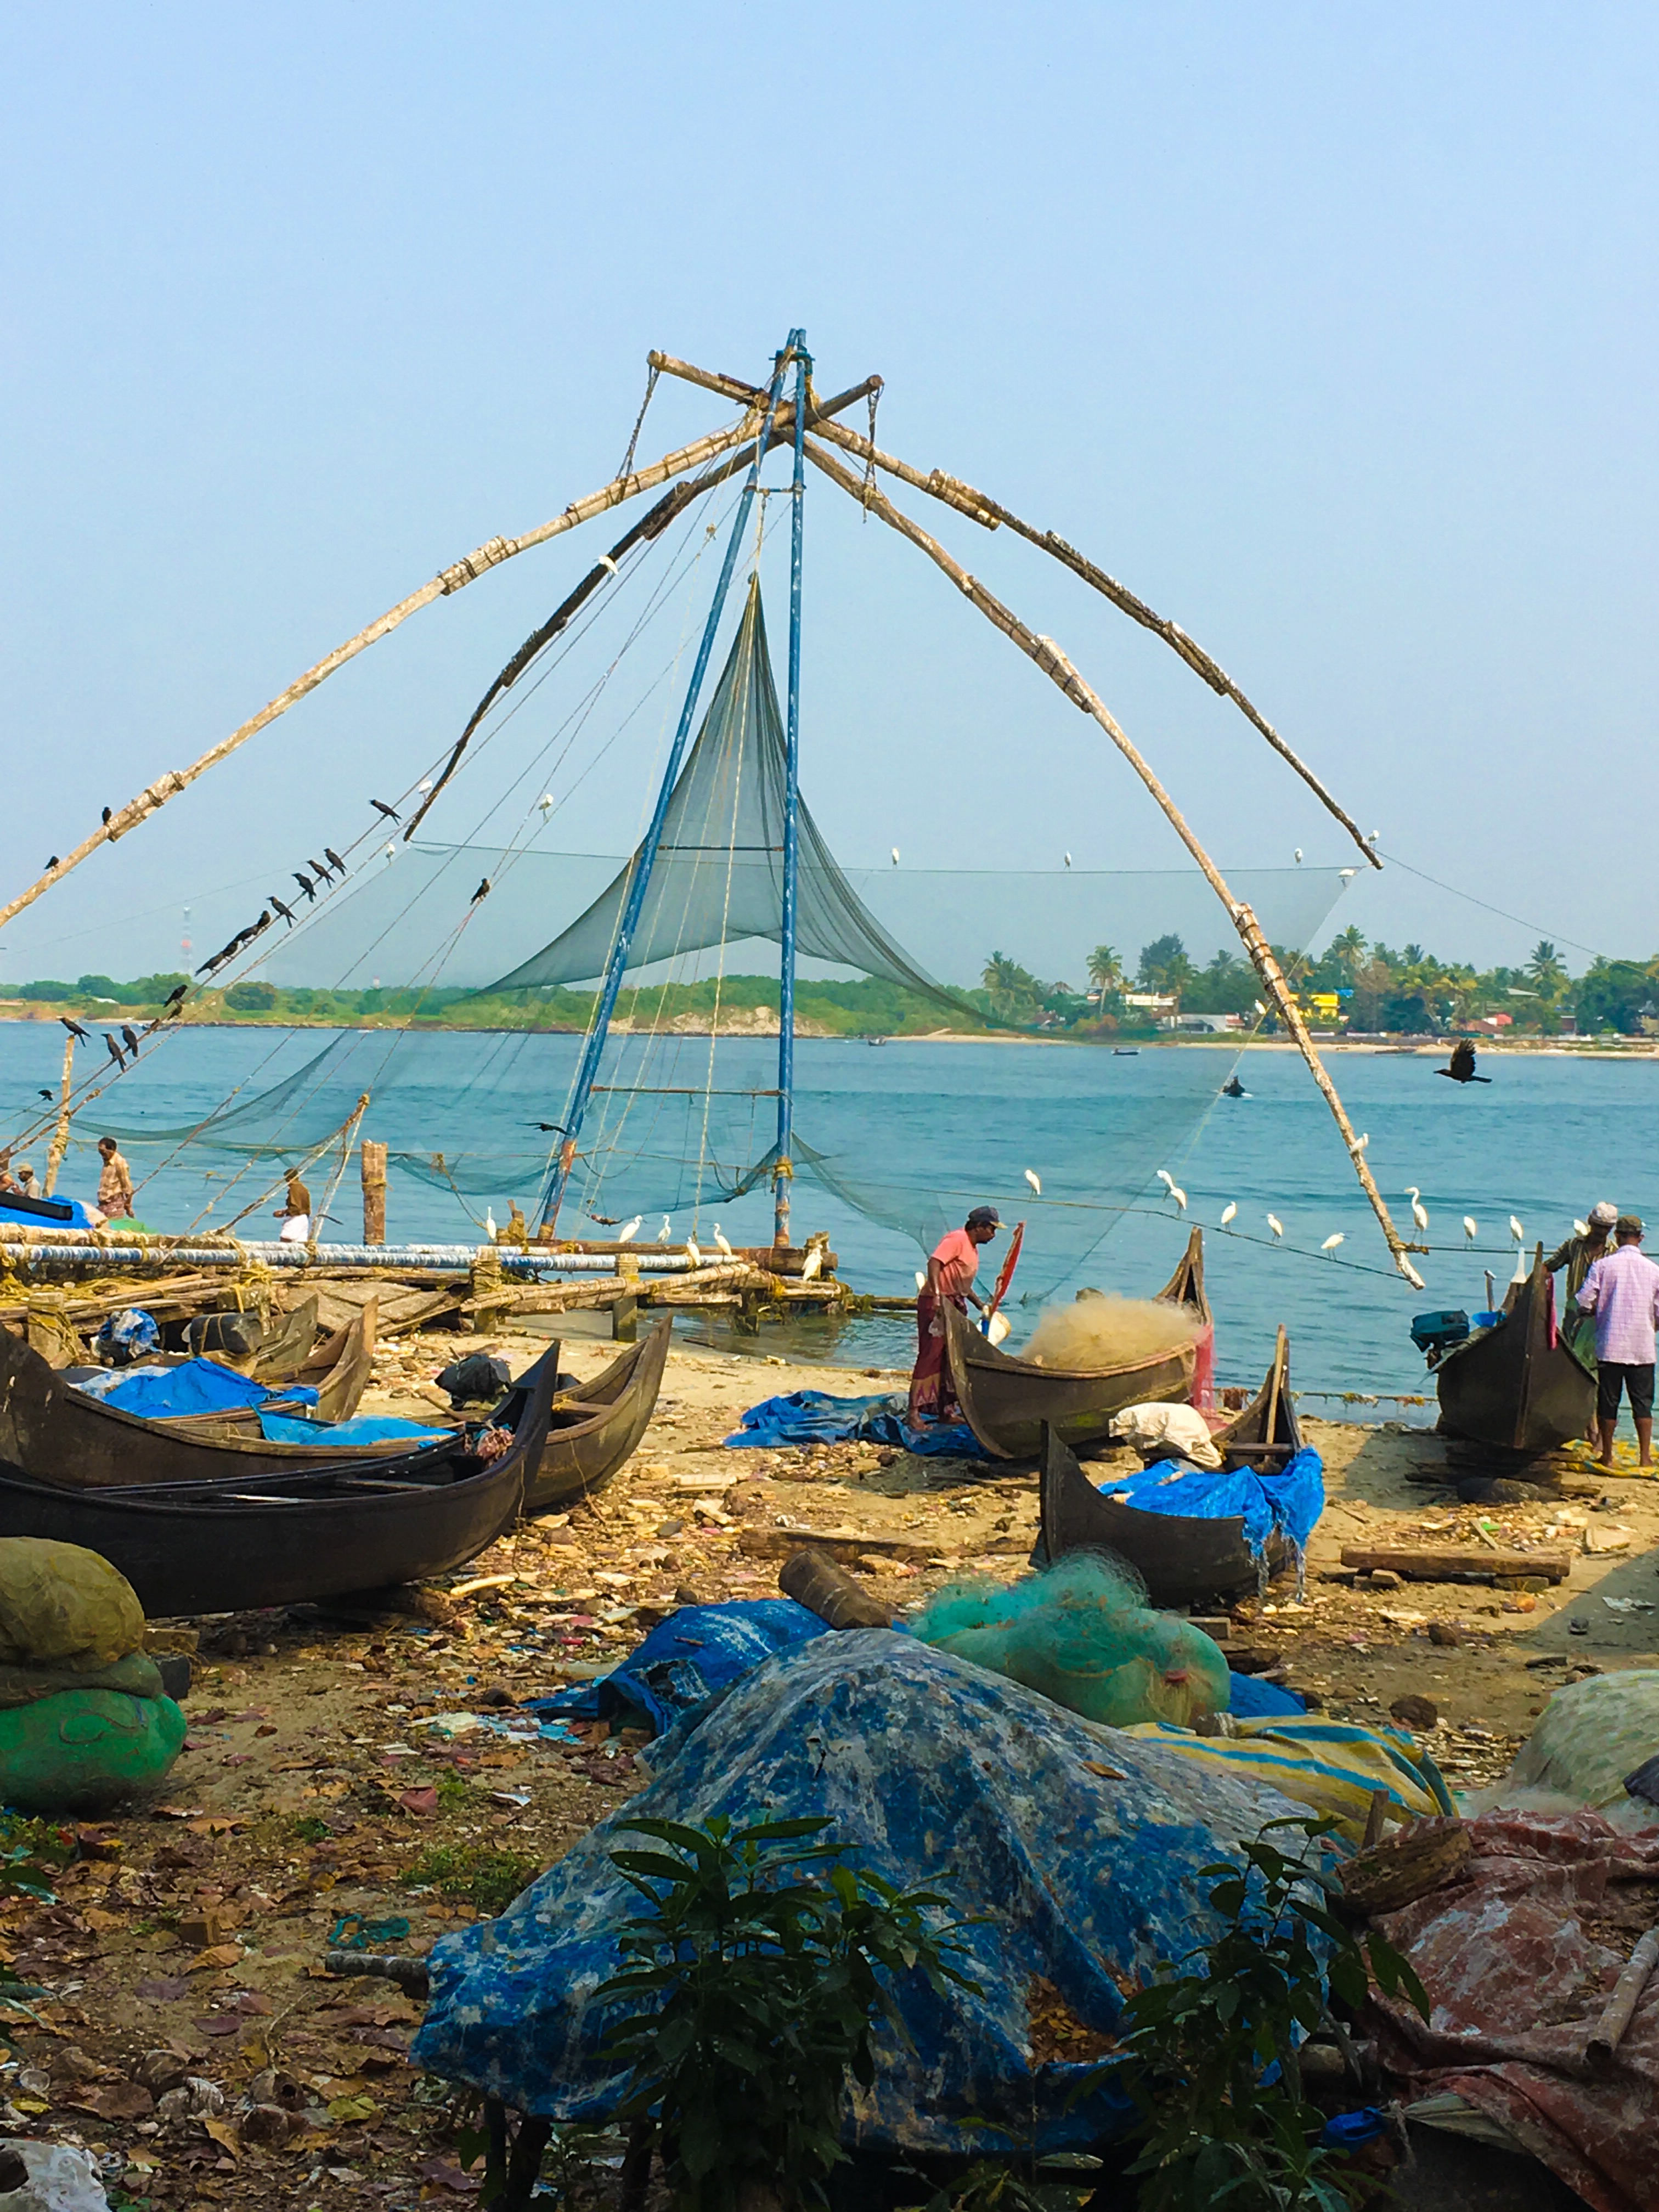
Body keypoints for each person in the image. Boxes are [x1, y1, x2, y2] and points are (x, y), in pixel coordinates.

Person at [1577, 1214, 1659, 1469]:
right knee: (1643, 1404)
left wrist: (1592, 1312)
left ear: (1617, 1236)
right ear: (1641, 1239)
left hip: (1610, 1345)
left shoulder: (1603, 1266)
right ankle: (1645, 1458)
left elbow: (1583, 1301)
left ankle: (1608, 1456)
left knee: (1608, 1402)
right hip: (1642, 1347)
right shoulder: (1654, 1271)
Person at [908, 1204, 1001, 1425]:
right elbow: (935, 1262)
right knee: (931, 1355)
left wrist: (981, 1306)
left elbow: (962, 1284)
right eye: (992, 1229)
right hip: (937, 1304)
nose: (994, 1235)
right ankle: (914, 1413)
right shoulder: (957, 1239)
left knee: (951, 1358)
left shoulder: (972, 1248)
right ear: (979, 1226)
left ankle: (945, 1410)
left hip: (954, 1304)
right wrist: (938, 1296)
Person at [1549, 1201, 1618, 1438]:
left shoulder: (1615, 1253)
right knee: (1571, 1368)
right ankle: (1575, 1423)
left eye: (1606, 1229)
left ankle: (1594, 1428)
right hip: (1573, 1316)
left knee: (1595, 1372)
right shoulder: (1573, 1246)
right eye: (1599, 1227)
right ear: (1590, 1223)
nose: (1601, 1232)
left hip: (1600, 1320)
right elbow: (1549, 1267)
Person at [96, 1136, 134, 1221]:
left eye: (103, 1152)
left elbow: (127, 1187)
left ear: (112, 1150)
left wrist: (128, 1205)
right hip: (103, 1203)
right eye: (99, 1151)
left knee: (111, 1228)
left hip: (114, 1204)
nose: (102, 1155)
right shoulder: (107, 1160)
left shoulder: (120, 1163)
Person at [275, 1169, 312, 1244]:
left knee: (285, 1240)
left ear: (288, 1178)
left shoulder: (294, 1189)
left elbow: (296, 1208)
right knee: (300, 1244)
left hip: (296, 1219)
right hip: (304, 1219)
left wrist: (283, 1213)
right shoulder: (304, 1189)